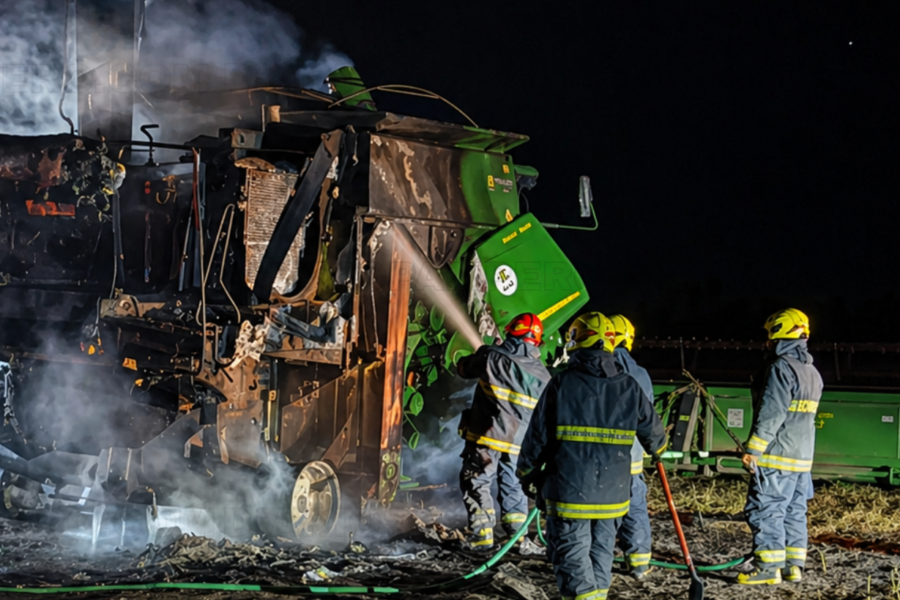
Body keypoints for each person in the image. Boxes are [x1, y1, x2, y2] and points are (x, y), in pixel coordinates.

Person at [517, 312, 667, 600]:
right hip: (614, 496)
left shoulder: (561, 384)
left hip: (569, 493)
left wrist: (527, 472)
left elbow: (537, 437)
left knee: (573, 558)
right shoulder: (629, 386)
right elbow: (655, 436)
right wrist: (657, 450)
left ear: (575, 342)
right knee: (601, 555)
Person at [738, 308, 823, 585]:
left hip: (777, 456)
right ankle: (793, 566)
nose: (767, 342)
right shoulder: (812, 371)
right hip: (802, 459)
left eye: (770, 335)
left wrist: (754, 449)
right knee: (794, 511)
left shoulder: (780, 368)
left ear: (779, 333)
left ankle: (767, 568)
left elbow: (772, 412)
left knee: (766, 509)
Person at [457, 313, 551, 552]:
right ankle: (517, 538)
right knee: (514, 485)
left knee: (477, 480)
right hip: (520, 443)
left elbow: (463, 368)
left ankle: (481, 537)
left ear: (510, 333)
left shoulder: (491, 356)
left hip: (488, 436)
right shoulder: (543, 374)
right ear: (536, 342)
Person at [609, 314, 655, 579]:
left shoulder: (600, 370)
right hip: (633, 456)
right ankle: (638, 563)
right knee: (635, 503)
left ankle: (599, 557)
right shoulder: (641, 374)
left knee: (601, 508)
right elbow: (648, 416)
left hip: (605, 457)